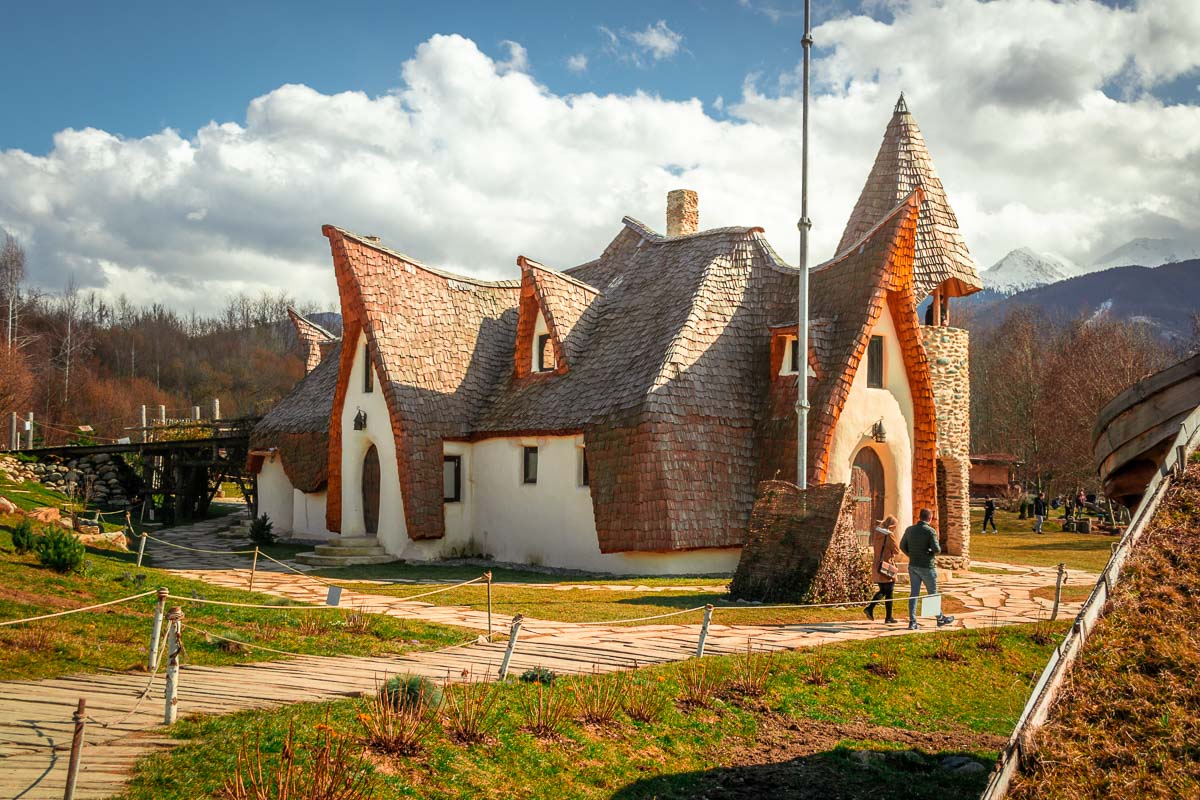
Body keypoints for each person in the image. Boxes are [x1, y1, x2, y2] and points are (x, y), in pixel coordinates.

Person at [900, 508, 955, 630]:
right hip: (927, 566)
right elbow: (937, 549)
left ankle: (912, 621)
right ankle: (940, 619)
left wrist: (911, 554)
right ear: (930, 518)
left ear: (919, 517)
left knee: (914, 594)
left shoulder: (910, 530)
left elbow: (902, 546)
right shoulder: (930, 531)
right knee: (932, 594)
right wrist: (929, 552)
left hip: (913, 565)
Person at [864, 515, 901, 624]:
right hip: (886, 564)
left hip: (877, 564)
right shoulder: (889, 535)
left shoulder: (877, 533)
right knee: (887, 590)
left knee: (887, 590)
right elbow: (896, 550)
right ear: (892, 526)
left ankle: (888, 617)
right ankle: (870, 608)